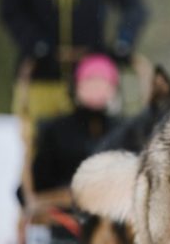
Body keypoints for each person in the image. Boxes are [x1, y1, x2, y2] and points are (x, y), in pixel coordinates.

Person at [0, 0, 147, 241]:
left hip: (96, 75)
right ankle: (50, 221)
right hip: (42, 76)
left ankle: (107, 223)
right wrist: (34, 43)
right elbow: (10, 9)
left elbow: (134, 6)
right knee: (45, 147)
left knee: (108, 144)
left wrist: (122, 42)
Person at [27, 54, 125, 243]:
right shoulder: (55, 130)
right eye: (90, 81)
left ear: (113, 88)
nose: (96, 88)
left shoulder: (126, 130)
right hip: (62, 225)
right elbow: (33, 186)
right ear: (76, 87)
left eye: (103, 82)